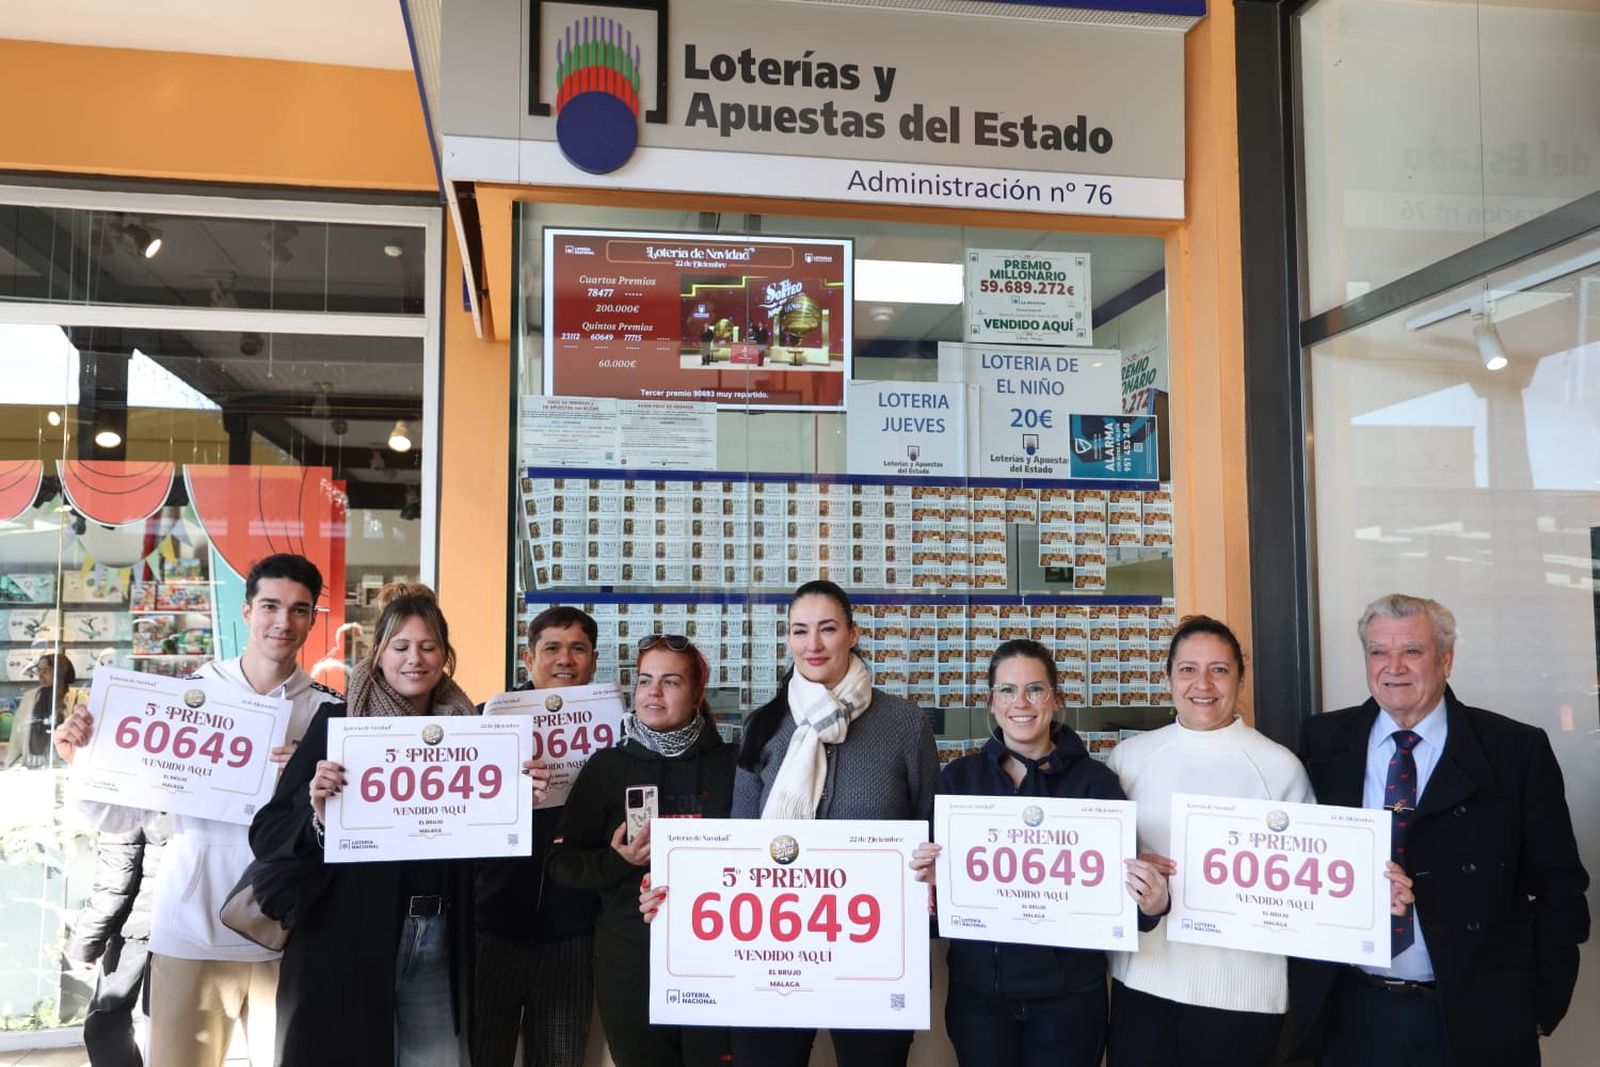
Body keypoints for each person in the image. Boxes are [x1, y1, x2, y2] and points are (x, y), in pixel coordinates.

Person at [55, 554, 341, 1067]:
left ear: (313, 618)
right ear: (247, 611)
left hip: (289, 934)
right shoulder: (187, 698)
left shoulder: (330, 713)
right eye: (271, 606)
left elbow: (347, 832)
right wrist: (82, 759)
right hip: (190, 927)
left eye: (299, 610)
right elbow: (120, 818)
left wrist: (305, 783)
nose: (284, 622)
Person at [250, 583, 549, 1067]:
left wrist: (520, 806)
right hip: (346, 936)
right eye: (401, 646)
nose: (416, 659)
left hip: (437, 935)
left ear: (445, 656)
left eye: (428, 647)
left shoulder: (474, 734)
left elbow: (487, 859)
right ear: (379, 655)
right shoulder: (337, 726)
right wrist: (319, 817)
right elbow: (268, 834)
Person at [1287, 593, 1590, 1067]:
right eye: (1378, 652)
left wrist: (1538, 1006)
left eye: (1412, 651)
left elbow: (1561, 888)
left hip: (1474, 1015)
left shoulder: (1514, 749)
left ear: (1446, 658)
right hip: (1351, 1010)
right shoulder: (1323, 740)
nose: (1394, 667)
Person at [906, 639, 1171, 1067]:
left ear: (1056, 699)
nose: (1021, 703)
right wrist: (928, 887)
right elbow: (939, 910)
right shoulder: (960, 781)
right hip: (979, 1001)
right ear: (991, 703)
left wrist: (1154, 904)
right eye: (1007, 691)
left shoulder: (1095, 784)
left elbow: (1127, 903)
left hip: (1069, 1004)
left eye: (1035, 689)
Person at [725, 579, 939, 1067]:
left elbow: (930, 825)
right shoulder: (763, 725)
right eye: (800, 632)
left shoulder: (905, 723)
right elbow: (738, 841)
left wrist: (931, 869)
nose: (813, 644)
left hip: (875, 950)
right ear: (788, 641)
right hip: (774, 949)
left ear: (853, 634)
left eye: (827, 629)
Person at [1102, 615, 1315, 1067]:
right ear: (1168, 678)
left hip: (1243, 992)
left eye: (1219, 669)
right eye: (1187, 669)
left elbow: (1308, 890)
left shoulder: (1279, 768)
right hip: (1144, 982)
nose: (1203, 684)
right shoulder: (1129, 758)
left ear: (1240, 678)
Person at [547, 633, 736, 1067]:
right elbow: (562, 863)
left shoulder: (731, 766)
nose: (653, 692)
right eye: (645, 680)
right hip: (630, 959)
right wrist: (618, 861)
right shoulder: (607, 767)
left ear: (695, 693)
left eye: (670, 682)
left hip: (716, 959)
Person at [472, 606, 603, 1067]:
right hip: (493, 925)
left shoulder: (617, 730)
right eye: (551, 648)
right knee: (483, 1053)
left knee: (559, 1058)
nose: (564, 659)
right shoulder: (488, 720)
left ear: (594, 660)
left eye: (577, 649)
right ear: (528, 659)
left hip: (573, 932)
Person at [66, 817, 171, 1067]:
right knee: (172, 1026)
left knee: (107, 1022)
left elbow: (116, 874)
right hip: (196, 926)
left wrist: (87, 941)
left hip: (139, 928)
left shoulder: (131, 792)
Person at [7, 652, 84, 768]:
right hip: (34, 762)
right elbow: (17, 736)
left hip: (64, 763)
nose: (40, 675)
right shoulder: (30, 698)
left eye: (46, 671)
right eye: (39, 670)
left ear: (59, 672)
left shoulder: (78, 698)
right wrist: (11, 763)